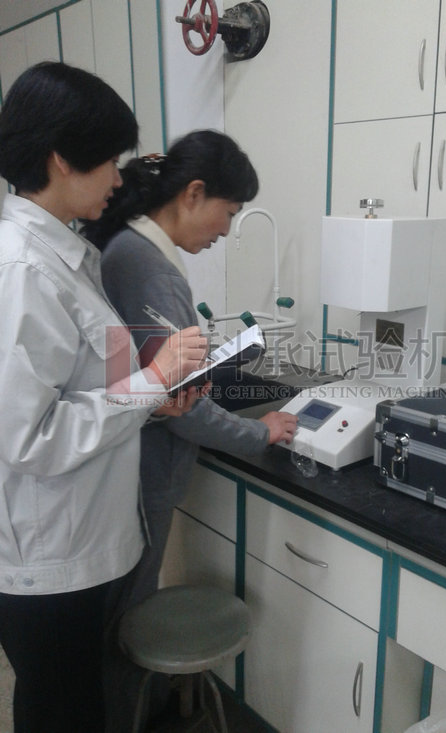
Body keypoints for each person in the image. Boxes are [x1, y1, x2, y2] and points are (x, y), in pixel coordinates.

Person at [0, 62, 208, 733]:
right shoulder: (23, 271)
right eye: (110, 161)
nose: (120, 179)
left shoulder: (69, 256)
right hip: (49, 558)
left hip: (79, 542)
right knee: (61, 712)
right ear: (61, 159)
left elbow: (87, 386)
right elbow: (28, 438)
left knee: (74, 703)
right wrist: (152, 380)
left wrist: (153, 401)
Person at [81, 129, 298, 729]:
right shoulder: (147, 267)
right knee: (128, 621)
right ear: (194, 193)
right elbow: (182, 406)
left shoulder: (127, 249)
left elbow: (139, 375)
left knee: (119, 615)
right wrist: (260, 433)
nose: (227, 230)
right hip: (142, 472)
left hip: (125, 463)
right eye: (229, 211)